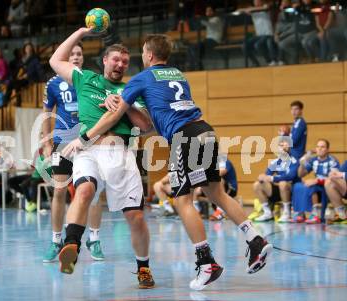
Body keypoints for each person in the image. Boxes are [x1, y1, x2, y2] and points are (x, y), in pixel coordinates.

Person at [67, 33, 273, 291]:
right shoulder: (178, 74)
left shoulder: (141, 78)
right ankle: (254, 239)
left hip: (183, 137)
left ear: (149, 55)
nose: (140, 57)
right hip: (205, 130)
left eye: (142, 52)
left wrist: (86, 135)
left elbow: (112, 117)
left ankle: (206, 263)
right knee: (216, 193)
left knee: (182, 200)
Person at [50, 28, 155, 288]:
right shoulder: (85, 78)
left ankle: (143, 268)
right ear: (105, 61)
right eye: (115, 59)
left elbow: (146, 126)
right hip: (87, 150)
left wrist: (124, 102)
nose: (120, 64)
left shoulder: (132, 88)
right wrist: (82, 32)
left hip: (120, 154)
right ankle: (71, 244)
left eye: (125, 61)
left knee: (136, 218)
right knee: (83, 191)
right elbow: (55, 60)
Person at [42, 43, 105, 263]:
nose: (76, 57)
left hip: (89, 143)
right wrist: (48, 143)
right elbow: (47, 113)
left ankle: (94, 239)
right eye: (71, 54)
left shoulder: (90, 81)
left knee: (94, 193)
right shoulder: (53, 84)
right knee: (59, 191)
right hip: (63, 143)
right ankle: (55, 240)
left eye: (79, 54)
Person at [252, 139, 300, 222]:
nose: (283, 148)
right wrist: (262, 177)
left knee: (283, 183)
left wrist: (273, 178)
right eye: (281, 146)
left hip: (292, 189)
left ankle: (287, 213)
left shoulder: (294, 160)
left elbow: (290, 176)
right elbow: (267, 176)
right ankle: (267, 212)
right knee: (257, 185)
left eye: (285, 145)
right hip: (279, 189)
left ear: (289, 147)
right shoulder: (276, 162)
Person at [295, 139, 340, 224]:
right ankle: (300, 213)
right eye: (318, 146)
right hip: (318, 186)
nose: (319, 149)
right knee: (298, 185)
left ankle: (315, 214)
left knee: (312, 186)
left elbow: (335, 178)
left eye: (322, 147)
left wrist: (317, 180)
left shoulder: (332, 161)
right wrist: (301, 164)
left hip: (328, 188)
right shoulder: (313, 160)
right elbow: (300, 174)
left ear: (327, 149)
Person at [209, 156, 239, 221]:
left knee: (219, 180)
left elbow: (221, 173)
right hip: (217, 189)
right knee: (198, 188)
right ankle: (198, 210)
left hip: (231, 188)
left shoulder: (224, 161)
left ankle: (220, 211)